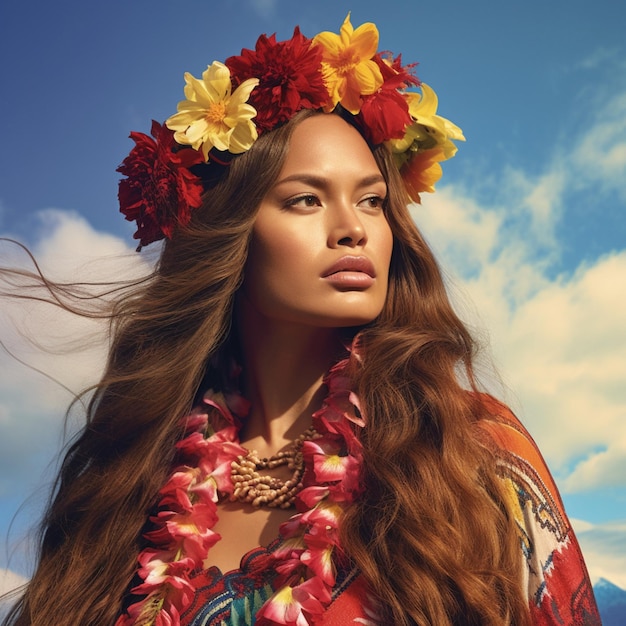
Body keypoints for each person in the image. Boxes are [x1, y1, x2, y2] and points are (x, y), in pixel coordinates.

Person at [1, 14, 600, 626]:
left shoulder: (468, 452)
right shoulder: (132, 479)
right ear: (227, 236)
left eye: (372, 200)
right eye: (306, 200)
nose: (353, 227)